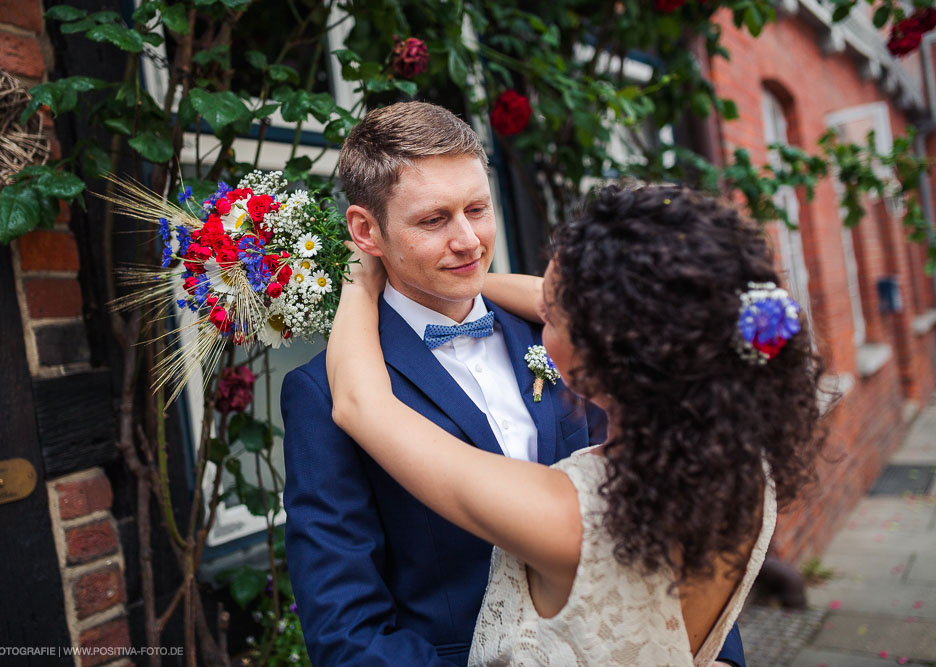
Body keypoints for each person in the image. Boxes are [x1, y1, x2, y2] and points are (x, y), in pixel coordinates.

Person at [281, 101, 746, 666]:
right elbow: (345, 629)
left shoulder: (573, 341)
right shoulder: (321, 393)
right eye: (433, 220)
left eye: (477, 209)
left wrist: (717, 654)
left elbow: (682, 546)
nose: (469, 240)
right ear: (365, 229)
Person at [326, 184, 825, 664]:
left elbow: (360, 405)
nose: (540, 310)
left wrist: (361, 284)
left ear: (591, 354)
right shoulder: (745, 467)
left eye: (553, 314)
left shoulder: (570, 514)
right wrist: (450, 280)